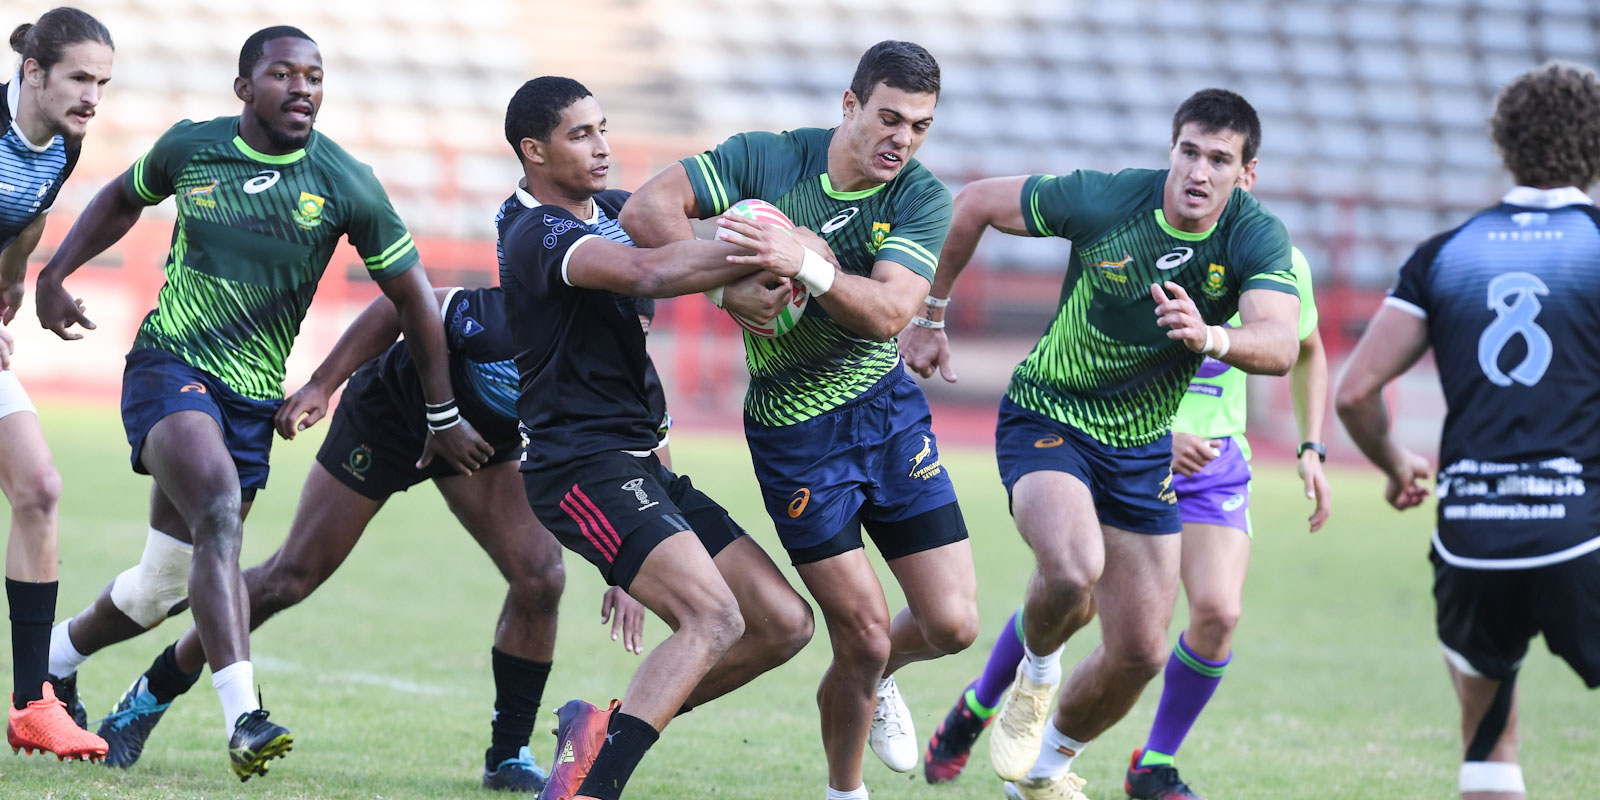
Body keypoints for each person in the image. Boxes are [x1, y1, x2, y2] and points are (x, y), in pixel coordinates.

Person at [33, 25, 489, 781]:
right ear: (245, 89)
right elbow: (121, 196)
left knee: (161, 586)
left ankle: (45, 665)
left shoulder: (345, 183)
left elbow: (415, 299)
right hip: (169, 364)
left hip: (251, 401)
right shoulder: (194, 148)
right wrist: (55, 272)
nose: (303, 87)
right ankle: (245, 717)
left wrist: (379, 398)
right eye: (283, 74)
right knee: (216, 510)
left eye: (314, 75)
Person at [83, 284, 651, 793]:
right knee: (291, 577)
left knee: (541, 576)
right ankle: (149, 696)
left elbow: (640, 457)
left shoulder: (625, 374)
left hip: (479, 446)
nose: (629, 347)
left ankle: (507, 757)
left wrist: (629, 566)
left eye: (642, 336)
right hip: (390, 414)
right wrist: (323, 386)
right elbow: (399, 303)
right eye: (625, 330)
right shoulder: (508, 318)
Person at [898, 88, 1302, 800]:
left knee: (1142, 651)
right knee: (1072, 570)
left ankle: (1044, 771)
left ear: (1247, 173)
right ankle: (1037, 676)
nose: (1198, 173)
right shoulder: (1108, 201)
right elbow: (976, 204)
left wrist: (1210, 335)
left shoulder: (1252, 236)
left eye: (1219, 160)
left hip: (1142, 448)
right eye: (1188, 153)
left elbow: (1280, 344)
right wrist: (932, 313)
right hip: (1051, 414)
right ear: (1169, 151)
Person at [623, 40, 979, 800]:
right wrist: (724, 287)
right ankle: (843, 790)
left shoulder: (921, 196)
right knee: (865, 629)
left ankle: (874, 676)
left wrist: (804, 260)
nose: (902, 140)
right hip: (798, 435)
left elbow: (889, 313)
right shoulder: (768, 159)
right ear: (849, 107)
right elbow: (644, 208)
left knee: (952, 624)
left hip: (886, 415)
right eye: (889, 118)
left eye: (920, 126)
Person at [498, 76, 813, 800]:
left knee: (782, 624)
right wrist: (771, 253)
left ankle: (602, 728)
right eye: (581, 134)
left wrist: (756, 261)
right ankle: (592, 788)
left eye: (603, 127)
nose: (603, 146)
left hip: (640, 463)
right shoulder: (535, 234)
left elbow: (677, 258)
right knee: (713, 615)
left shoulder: (614, 210)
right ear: (533, 150)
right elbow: (648, 268)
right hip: (579, 466)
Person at [1336, 61, 1600, 800]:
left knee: (1489, 750)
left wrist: (1393, 462)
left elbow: (1356, 391)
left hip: (1473, 536)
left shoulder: (1448, 254)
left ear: (1504, 144)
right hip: (1582, 532)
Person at [0, 6, 113, 763]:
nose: (92, 97)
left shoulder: (63, 144)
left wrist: (14, 283)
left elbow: (28, 217)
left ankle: (33, 704)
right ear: (33, 72)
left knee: (39, 486)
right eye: (78, 78)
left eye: (103, 83)